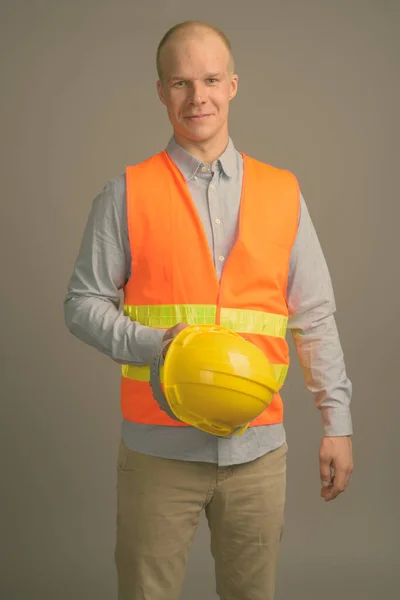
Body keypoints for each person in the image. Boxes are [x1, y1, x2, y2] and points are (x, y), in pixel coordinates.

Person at [64, 20, 354, 600]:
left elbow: (314, 314)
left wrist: (336, 422)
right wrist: (158, 345)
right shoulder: (127, 192)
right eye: (180, 83)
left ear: (233, 86)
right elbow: (81, 304)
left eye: (211, 80)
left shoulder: (282, 190)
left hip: (258, 455)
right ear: (161, 91)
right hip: (157, 453)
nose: (198, 97)